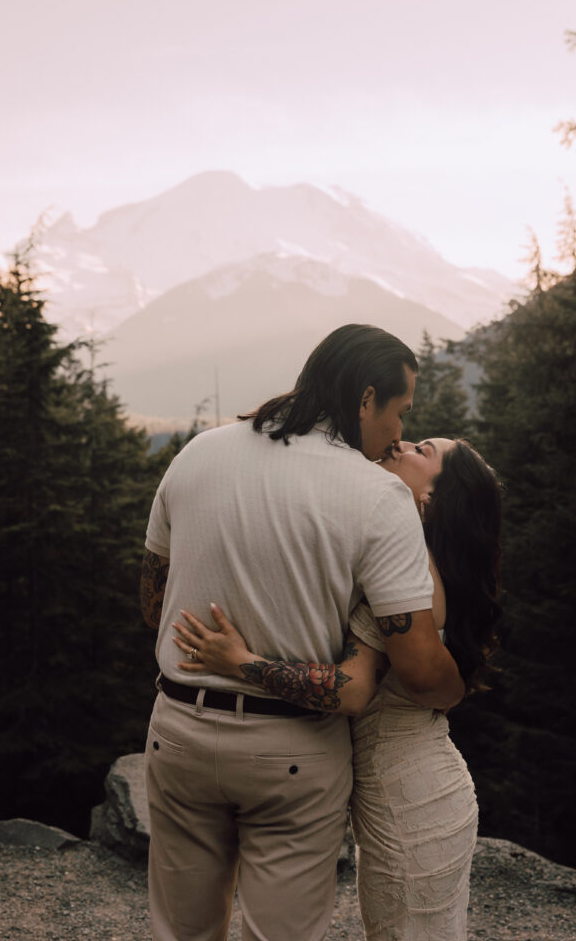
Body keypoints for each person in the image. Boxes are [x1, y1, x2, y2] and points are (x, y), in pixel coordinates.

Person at [140, 325, 465, 941]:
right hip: (291, 753)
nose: (399, 432)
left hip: (177, 731)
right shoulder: (376, 496)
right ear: (366, 399)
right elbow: (420, 670)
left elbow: (154, 601)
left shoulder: (197, 454)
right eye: (400, 413)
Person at [173, 437, 502, 941]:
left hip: (412, 797)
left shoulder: (412, 571)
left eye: (422, 449)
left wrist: (241, 662)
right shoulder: (411, 556)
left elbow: (350, 691)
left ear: (434, 497)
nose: (401, 443)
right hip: (411, 782)